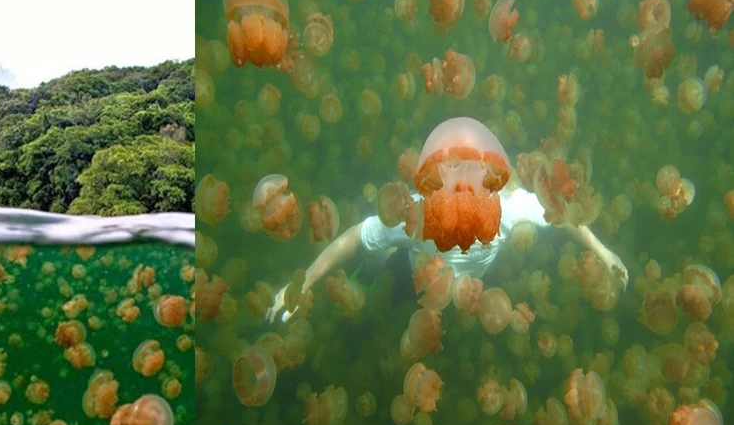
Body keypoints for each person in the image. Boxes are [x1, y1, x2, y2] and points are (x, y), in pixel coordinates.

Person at [265, 119, 629, 324]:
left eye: (473, 174)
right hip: (414, 283)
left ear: (491, 176)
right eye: (452, 175)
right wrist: (305, 283)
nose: (462, 187)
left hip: (482, 288)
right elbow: (356, 235)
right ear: (435, 179)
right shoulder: (417, 213)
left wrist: (604, 251)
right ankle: (369, 273)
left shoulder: (509, 208)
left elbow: (561, 215)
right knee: (383, 288)